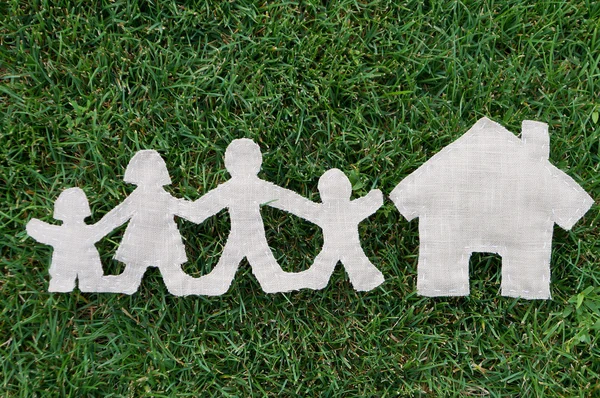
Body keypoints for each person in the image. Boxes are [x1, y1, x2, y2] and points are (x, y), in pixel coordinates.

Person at [186, 138, 322, 295]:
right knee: (268, 281)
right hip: (248, 236)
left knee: (235, 282)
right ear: (258, 162)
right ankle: (310, 278)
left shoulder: (231, 188)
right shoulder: (255, 187)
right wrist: (316, 212)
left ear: (228, 164)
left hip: (245, 236)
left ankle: (310, 278)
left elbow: (197, 212)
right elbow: (290, 200)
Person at [96, 150, 203, 295]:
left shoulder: (161, 197)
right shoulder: (141, 197)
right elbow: (119, 214)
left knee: (172, 279)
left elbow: (118, 215)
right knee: (132, 278)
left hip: (157, 239)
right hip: (144, 239)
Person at [287, 168, 385, 291]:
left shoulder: (322, 211)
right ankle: (367, 279)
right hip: (347, 243)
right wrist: (375, 195)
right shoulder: (352, 208)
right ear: (347, 190)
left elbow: (304, 207)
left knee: (328, 260)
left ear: (322, 193)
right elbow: (370, 203)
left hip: (333, 244)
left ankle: (319, 278)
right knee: (354, 259)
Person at [26, 188, 115, 292]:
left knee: (74, 276)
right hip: (80, 267)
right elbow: (105, 225)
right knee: (73, 277)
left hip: (79, 267)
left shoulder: (59, 233)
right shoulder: (83, 232)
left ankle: (78, 283)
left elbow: (38, 230)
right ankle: (78, 283)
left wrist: (33, 225)